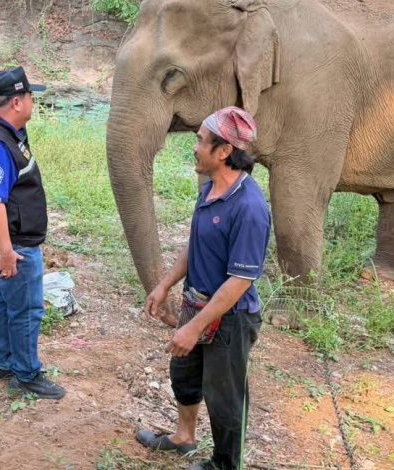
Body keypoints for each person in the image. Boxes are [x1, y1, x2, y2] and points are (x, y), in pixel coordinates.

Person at [135, 107, 271, 470]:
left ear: (224, 151)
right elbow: (195, 243)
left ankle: (225, 464)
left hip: (230, 319)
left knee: (225, 397)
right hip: (197, 304)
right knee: (184, 374)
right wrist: (165, 285)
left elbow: (239, 282)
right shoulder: (210, 190)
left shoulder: (250, 207)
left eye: (200, 141)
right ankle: (183, 437)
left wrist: (193, 328)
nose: (194, 147)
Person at [0, 66, 65, 400]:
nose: (33, 102)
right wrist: (7, 252)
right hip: (14, 243)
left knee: (5, 300)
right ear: (16, 102)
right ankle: (26, 374)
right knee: (26, 309)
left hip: (11, 238)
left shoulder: (4, 132)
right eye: (30, 96)